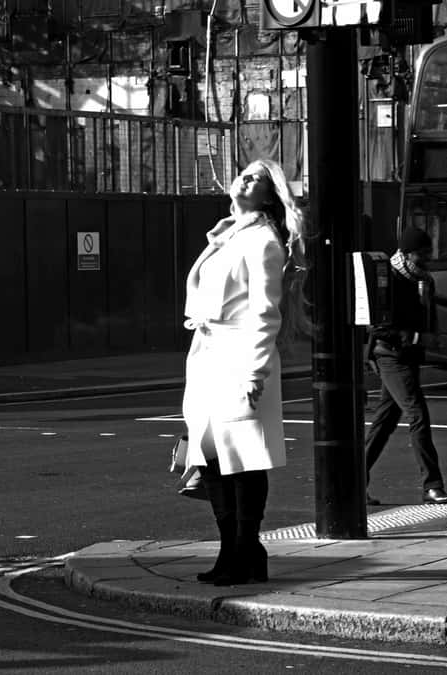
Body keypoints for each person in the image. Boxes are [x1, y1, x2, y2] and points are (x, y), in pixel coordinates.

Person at [182, 159, 308, 586]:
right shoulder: (226, 236)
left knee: (244, 461)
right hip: (210, 357)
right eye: (243, 172)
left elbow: (265, 313)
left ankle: (244, 551)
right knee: (212, 458)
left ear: (269, 196)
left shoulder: (263, 243)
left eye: (255, 178)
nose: (243, 178)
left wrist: (254, 373)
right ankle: (234, 553)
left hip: (240, 358)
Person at [364, 227, 447, 507]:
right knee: (418, 415)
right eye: (421, 254)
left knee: (385, 421)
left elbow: (425, 315)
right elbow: (380, 327)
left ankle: (354, 479)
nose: (426, 259)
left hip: (408, 355)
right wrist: (417, 336)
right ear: (405, 254)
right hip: (390, 354)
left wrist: (430, 336)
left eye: (428, 252)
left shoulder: (422, 279)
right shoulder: (389, 278)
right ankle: (432, 485)